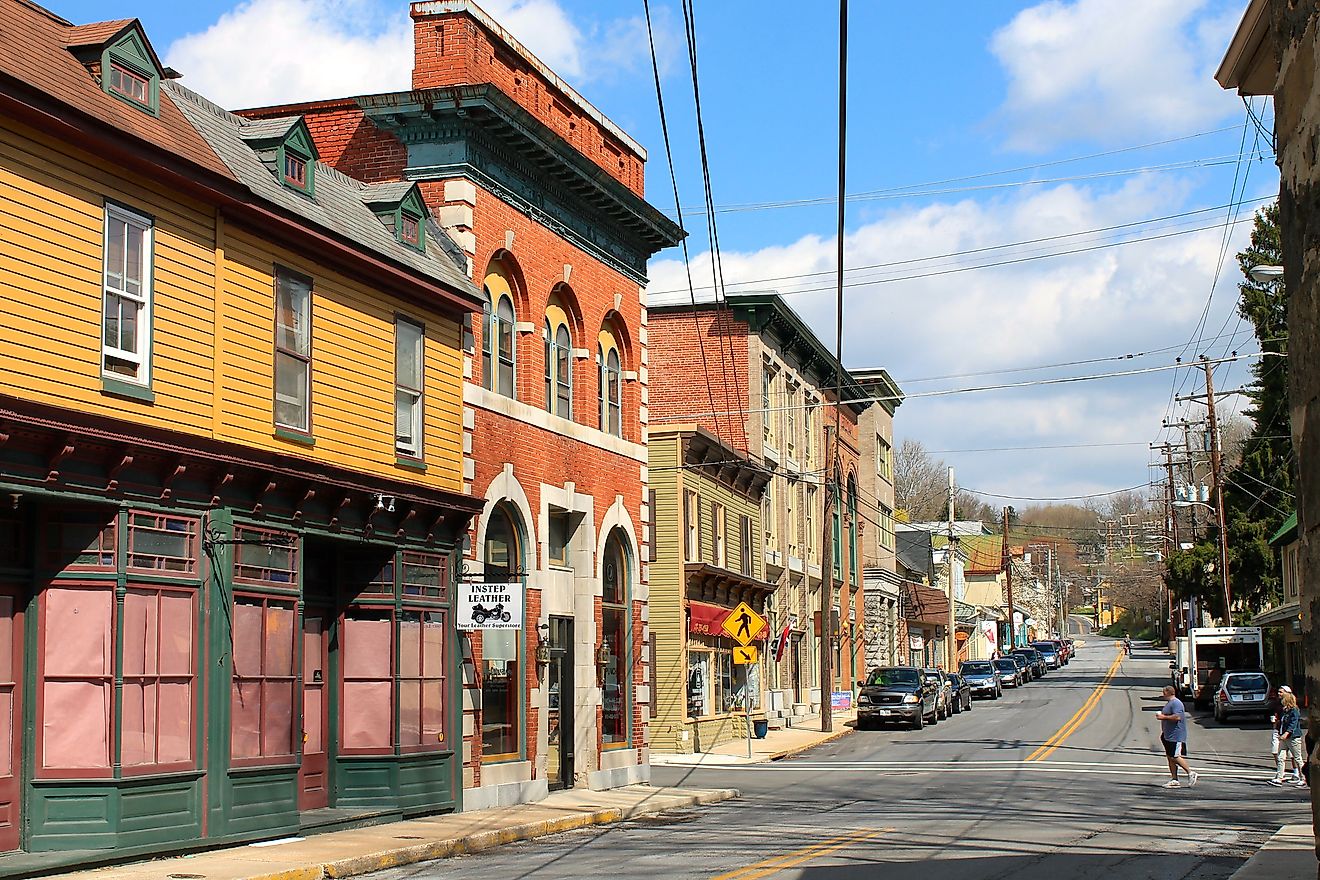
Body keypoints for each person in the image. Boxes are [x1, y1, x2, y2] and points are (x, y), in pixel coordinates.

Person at [1156, 685, 1198, 788]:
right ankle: (1174, 779)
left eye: (1164, 692)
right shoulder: (1170, 703)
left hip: (1176, 735)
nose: (1163, 694)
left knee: (1175, 756)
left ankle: (1190, 772)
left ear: (1167, 692)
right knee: (1170, 757)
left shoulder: (1176, 703)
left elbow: (1178, 717)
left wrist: (1163, 717)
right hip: (1168, 735)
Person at [1270, 690, 1306, 787]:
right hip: (1283, 738)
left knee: (1298, 758)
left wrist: (1286, 734)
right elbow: (1282, 723)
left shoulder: (1294, 710)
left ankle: (1303, 778)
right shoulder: (1285, 711)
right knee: (1281, 757)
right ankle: (1279, 777)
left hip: (1293, 738)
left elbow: (1293, 724)